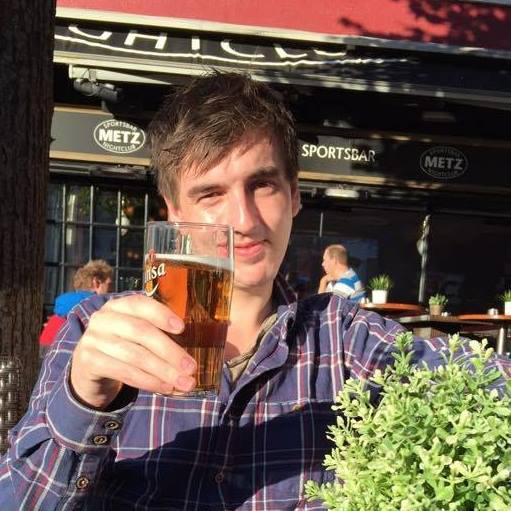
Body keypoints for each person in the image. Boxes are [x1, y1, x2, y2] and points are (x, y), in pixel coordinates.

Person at [0, 72, 509, 510]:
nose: (243, 221)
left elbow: (488, 382)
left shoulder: (344, 339)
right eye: (211, 193)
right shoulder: (94, 330)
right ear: (174, 213)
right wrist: (84, 400)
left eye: (262, 185)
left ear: (294, 196)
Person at [39, 260, 114, 350]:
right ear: (96, 282)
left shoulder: (65, 304)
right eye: (110, 284)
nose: (112, 289)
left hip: (46, 348)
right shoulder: (93, 306)